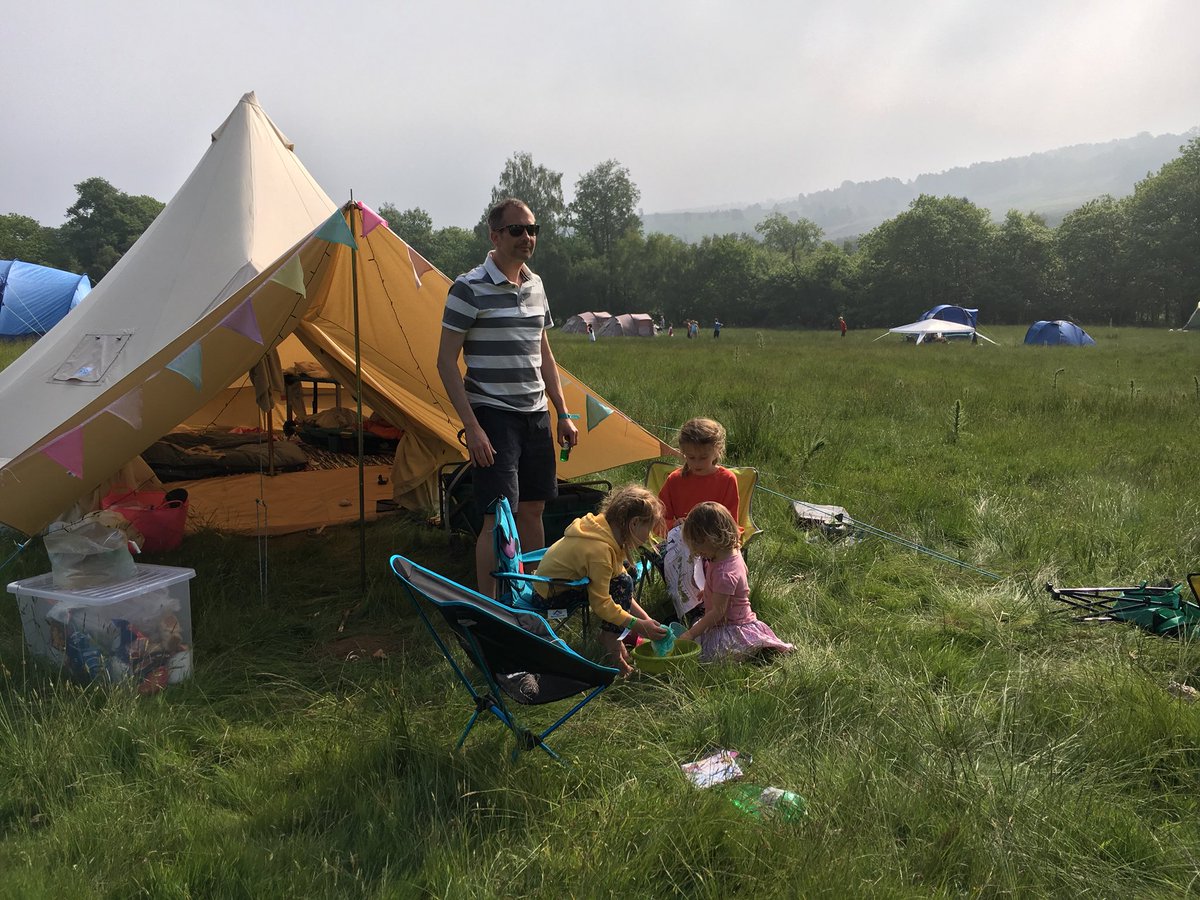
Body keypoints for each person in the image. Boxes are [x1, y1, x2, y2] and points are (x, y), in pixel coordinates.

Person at [437, 197, 578, 595]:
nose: (527, 237)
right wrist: (473, 427)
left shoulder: (536, 286)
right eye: (517, 229)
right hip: (493, 415)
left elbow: (544, 353)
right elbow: (445, 362)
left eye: (532, 229)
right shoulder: (467, 289)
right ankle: (491, 605)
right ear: (494, 235)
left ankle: (536, 595)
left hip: (535, 414)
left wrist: (563, 412)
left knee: (534, 509)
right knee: (496, 516)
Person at [533, 485, 669, 675]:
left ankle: (614, 637)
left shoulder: (604, 530)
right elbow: (601, 604)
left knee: (625, 577)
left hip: (561, 584)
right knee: (623, 582)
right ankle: (612, 648)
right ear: (635, 523)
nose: (649, 536)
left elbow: (621, 590)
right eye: (650, 528)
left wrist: (646, 621)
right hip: (551, 595)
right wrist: (637, 625)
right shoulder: (600, 551)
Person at [678, 502, 793, 662]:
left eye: (698, 544)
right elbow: (734, 587)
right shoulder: (728, 554)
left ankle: (751, 651)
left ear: (714, 537)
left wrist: (691, 634)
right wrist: (710, 591)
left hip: (730, 627)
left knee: (705, 654)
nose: (696, 551)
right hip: (730, 620)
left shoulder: (725, 572)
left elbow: (717, 614)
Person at [657, 417, 741, 621]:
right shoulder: (675, 480)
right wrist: (673, 525)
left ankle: (702, 608)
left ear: (717, 450)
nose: (696, 463)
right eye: (690, 457)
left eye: (703, 457)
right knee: (676, 552)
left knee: (696, 553)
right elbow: (658, 519)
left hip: (713, 541)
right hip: (681, 540)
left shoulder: (727, 480)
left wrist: (709, 536)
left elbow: (731, 524)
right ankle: (690, 608)